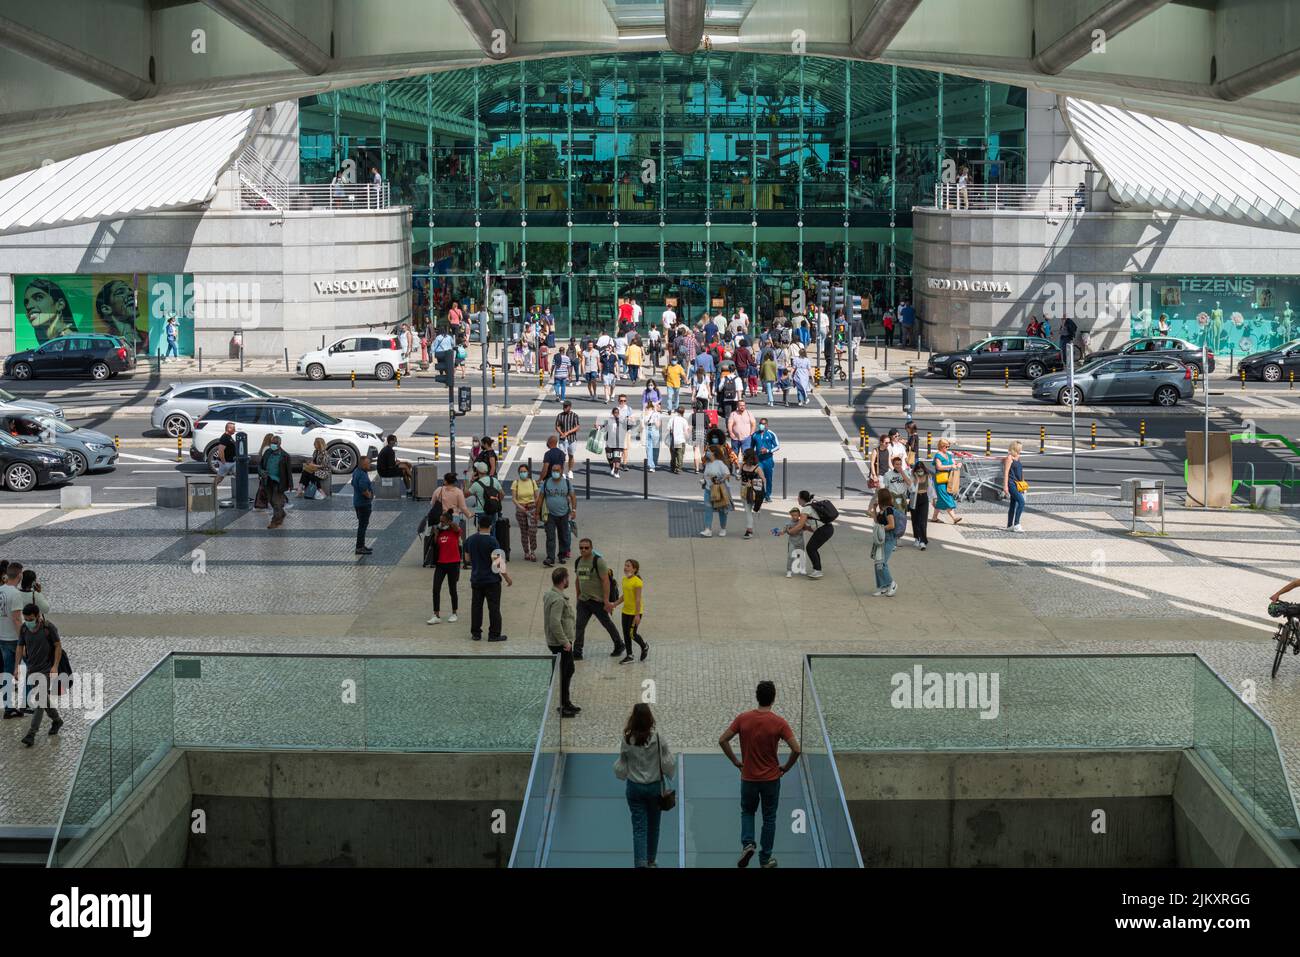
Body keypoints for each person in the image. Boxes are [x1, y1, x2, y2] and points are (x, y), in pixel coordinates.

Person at [719, 680, 801, 869]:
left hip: (748, 777)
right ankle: (765, 859)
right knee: (769, 817)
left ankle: (748, 844)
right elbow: (796, 749)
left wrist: (736, 761)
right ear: (773, 698)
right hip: (771, 779)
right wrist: (786, 767)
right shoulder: (779, 723)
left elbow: (723, 740)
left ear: (757, 697)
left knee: (748, 811)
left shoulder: (743, 719)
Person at [614, 703, 675, 867]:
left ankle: (640, 862)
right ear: (650, 719)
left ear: (633, 719)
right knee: (654, 827)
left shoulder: (627, 740)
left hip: (634, 788)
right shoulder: (658, 739)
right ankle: (651, 860)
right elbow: (668, 762)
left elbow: (622, 764)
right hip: (654, 788)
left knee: (639, 828)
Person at [14, 604, 63, 747]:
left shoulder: (48, 628)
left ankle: (31, 733)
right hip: (32, 669)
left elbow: (58, 646)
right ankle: (57, 720)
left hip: (46, 669)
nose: (28, 621)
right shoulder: (24, 628)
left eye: (30, 619)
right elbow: (20, 647)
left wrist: (55, 666)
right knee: (41, 698)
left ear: (37, 616)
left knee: (40, 700)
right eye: (26, 619)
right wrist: (16, 667)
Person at [464, 515, 512, 642]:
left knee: (476, 607)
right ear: (490, 526)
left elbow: (467, 559)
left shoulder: (470, 540)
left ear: (478, 525)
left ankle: (476, 633)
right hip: (491, 580)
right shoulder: (492, 541)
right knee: (494, 608)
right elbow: (498, 563)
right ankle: (494, 634)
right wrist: (507, 578)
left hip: (476, 579)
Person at [574, 538, 623, 659]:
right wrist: (578, 597)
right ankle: (577, 651)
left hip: (597, 601)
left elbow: (606, 581)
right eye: (581, 548)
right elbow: (578, 580)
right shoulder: (578, 561)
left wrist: (606, 601)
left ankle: (619, 644)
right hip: (583, 601)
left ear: (591, 548)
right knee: (579, 625)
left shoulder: (598, 561)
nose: (583, 550)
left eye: (586, 548)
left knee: (607, 623)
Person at [543, 567, 580, 718]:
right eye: (568, 578)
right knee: (566, 672)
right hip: (560, 643)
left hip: (558, 641)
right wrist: (565, 642)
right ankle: (564, 705)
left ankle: (566, 702)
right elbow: (554, 623)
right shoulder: (558, 599)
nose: (568, 580)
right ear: (564, 580)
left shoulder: (550, 594)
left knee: (568, 670)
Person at [426, 511, 462, 624]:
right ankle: (436, 614)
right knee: (436, 589)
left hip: (453, 564)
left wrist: (449, 523)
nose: (440, 523)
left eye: (443, 521)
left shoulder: (454, 531)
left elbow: (457, 528)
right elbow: (435, 545)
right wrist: (436, 533)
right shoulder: (439, 531)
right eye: (440, 521)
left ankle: (454, 612)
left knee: (452, 589)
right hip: (441, 564)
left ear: (448, 521)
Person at [0, 564, 25, 719]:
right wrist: (24, 639)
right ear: (19, 575)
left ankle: (8, 707)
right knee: (33, 666)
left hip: (2, 637)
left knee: (7, 673)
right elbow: (16, 619)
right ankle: (28, 702)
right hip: (14, 639)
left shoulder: (0, 590)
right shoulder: (15, 594)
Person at [790, 490, 833, 580]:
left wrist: (790, 531)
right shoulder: (811, 505)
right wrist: (805, 528)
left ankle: (817, 570)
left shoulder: (806, 509)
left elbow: (799, 526)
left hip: (824, 530)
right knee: (812, 548)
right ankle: (817, 570)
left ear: (802, 499)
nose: (797, 499)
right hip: (827, 528)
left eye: (798, 497)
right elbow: (809, 526)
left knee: (811, 548)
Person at [539, 467, 576, 567]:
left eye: (557, 471)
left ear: (561, 471)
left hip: (564, 514)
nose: (555, 472)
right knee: (550, 536)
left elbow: (573, 496)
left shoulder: (566, 483)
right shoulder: (547, 482)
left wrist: (574, 510)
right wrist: (537, 512)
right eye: (553, 470)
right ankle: (550, 558)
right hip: (550, 514)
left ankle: (562, 555)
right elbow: (541, 497)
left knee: (563, 536)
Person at [613, 559, 648, 663]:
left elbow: (638, 599)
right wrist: (615, 604)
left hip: (635, 612)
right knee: (626, 633)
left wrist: (637, 615)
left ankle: (644, 646)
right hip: (625, 611)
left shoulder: (637, 582)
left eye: (628, 566)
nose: (625, 567)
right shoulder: (624, 580)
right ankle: (629, 655)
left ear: (634, 569)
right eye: (625, 565)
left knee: (632, 634)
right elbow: (624, 596)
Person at [869, 486, 900, 597]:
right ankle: (883, 586)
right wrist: (874, 509)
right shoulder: (882, 510)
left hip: (889, 539)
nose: (877, 498)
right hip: (881, 539)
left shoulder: (889, 510)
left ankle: (892, 584)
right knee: (877, 563)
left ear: (882, 498)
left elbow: (892, 525)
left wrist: (881, 528)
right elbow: (876, 521)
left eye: (878, 497)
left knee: (882, 563)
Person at [260, 433, 291, 529]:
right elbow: (260, 465)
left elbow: (288, 472)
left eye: (275, 443)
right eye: (272, 443)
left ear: (279, 444)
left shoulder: (285, 456)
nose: (273, 445)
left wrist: (290, 485)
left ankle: (275, 521)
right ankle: (281, 513)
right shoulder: (267, 452)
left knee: (276, 501)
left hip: (279, 482)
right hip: (267, 480)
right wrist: (261, 472)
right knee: (271, 500)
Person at [700, 448, 732, 538]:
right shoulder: (707, 463)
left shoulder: (719, 463)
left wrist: (720, 480)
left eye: (709, 451)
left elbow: (727, 474)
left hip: (719, 489)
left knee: (722, 510)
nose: (707, 452)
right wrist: (703, 480)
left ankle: (723, 528)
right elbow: (705, 475)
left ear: (714, 453)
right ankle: (708, 529)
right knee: (708, 509)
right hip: (708, 489)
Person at [931, 438, 963, 525]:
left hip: (948, 479)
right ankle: (954, 517)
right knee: (946, 497)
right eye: (946, 446)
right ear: (941, 446)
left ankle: (934, 518)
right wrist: (950, 466)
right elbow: (939, 467)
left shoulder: (948, 455)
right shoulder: (938, 455)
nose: (948, 448)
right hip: (940, 480)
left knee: (941, 499)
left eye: (948, 446)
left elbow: (953, 463)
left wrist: (957, 464)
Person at [512, 464, 539, 561]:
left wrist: (535, 506)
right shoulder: (516, 483)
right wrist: (520, 507)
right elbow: (514, 498)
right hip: (521, 508)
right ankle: (526, 552)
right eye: (521, 472)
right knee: (524, 531)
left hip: (532, 507)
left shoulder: (532, 482)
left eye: (524, 471)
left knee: (532, 530)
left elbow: (537, 497)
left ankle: (533, 551)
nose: (522, 473)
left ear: (528, 472)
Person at [739, 450, 766, 539]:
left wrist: (752, 482)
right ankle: (749, 529)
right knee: (748, 510)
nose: (743, 457)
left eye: (744, 455)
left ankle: (749, 530)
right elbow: (739, 476)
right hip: (745, 491)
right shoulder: (743, 466)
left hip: (752, 492)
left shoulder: (756, 468)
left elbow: (763, 480)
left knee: (748, 510)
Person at [751, 418, 779, 503]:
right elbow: (751, 447)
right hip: (759, 460)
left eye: (763, 424)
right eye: (760, 423)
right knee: (758, 478)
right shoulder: (755, 435)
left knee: (768, 478)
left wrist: (768, 450)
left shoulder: (771, 434)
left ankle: (768, 495)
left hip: (768, 460)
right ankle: (759, 495)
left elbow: (777, 446)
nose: (761, 425)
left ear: (767, 425)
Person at [351, 453, 374, 555]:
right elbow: (363, 489)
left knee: (362, 525)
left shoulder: (356, 471)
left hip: (357, 503)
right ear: (363, 465)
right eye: (368, 464)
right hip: (364, 504)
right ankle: (359, 547)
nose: (369, 465)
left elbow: (353, 483)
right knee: (362, 526)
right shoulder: (363, 475)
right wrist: (369, 495)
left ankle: (361, 545)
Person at [468, 461, 504, 525]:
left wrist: (472, 480)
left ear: (477, 471)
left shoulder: (476, 484)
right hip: (493, 509)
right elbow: (502, 494)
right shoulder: (494, 480)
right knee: (492, 528)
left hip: (481, 511)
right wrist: (497, 501)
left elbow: (465, 494)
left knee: (482, 529)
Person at [1003, 440, 1026, 533]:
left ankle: (1009, 525)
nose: (1021, 450)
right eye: (1020, 448)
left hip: (1018, 484)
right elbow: (1006, 472)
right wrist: (1005, 486)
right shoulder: (1009, 458)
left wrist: (1023, 482)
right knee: (1021, 502)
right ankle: (1016, 524)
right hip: (1011, 484)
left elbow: (1021, 471)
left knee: (1013, 504)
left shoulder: (1018, 457)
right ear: (1015, 448)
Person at [778, 507, 807, 577]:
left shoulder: (802, 522)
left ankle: (802, 569)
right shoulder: (789, 523)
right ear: (791, 515)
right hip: (792, 542)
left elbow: (806, 528)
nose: (794, 517)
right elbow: (783, 531)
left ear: (799, 515)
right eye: (793, 515)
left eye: (796, 515)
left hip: (800, 542)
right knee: (790, 556)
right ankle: (789, 571)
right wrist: (780, 532)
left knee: (801, 556)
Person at [555, 401, 579, 478]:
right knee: (562, 457)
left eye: (566, 406)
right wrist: (562, 433)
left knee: (571, 455)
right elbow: (557, 426)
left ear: (570, 407)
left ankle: (570, 471)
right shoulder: (560, 415)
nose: (564, 408)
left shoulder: (574, 415)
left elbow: (577, 427)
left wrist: (568, 432)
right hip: (562, 440)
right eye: (564, 406)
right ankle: (562, 472)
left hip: (572, 439)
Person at [910, 460, 930, 551]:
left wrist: (933, 499)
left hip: (924, 497)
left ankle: (922, 540)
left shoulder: (928, 476)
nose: (920, 472)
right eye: (918, 471)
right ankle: (916, 538)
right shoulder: (912, 476)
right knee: (915, 519)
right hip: (915, 498)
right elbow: (911, 489)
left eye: (921, 470)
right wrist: (917, 480)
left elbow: (930, 488)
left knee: (923, 520)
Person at [605, 403, 628, 478]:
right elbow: (603, 427)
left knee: (617, 458)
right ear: (612, 413)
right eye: (615, 412)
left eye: (617, 413)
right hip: (609, 442)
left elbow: (629, 425)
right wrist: (598, 427)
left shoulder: (622, 420)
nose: (616, 414)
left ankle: (616, 471)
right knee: (610, 457)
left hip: (619, 443)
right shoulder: (609, 420)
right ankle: (612, 468)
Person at [666, 406, 689, 475]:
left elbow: (668, 429)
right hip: (681, 439)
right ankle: (678, 468)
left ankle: (673, 467)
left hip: (673, 439)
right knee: (680, 454)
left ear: (677, 412)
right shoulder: (684, 420)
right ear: (683, 412)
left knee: (673, 454)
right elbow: (686, 431)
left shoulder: (672, 419)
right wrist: (688, 438)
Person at [643, 401, 662, 472]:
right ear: (655, 407)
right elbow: (658, 425)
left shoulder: (646, 413)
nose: (660, 407)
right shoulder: (657, 414)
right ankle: (653, 464)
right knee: (655, 448)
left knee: (649, 448)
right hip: (654, 430)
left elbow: (643, 422)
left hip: (648, 429)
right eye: (658, 405)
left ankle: (651, 465)